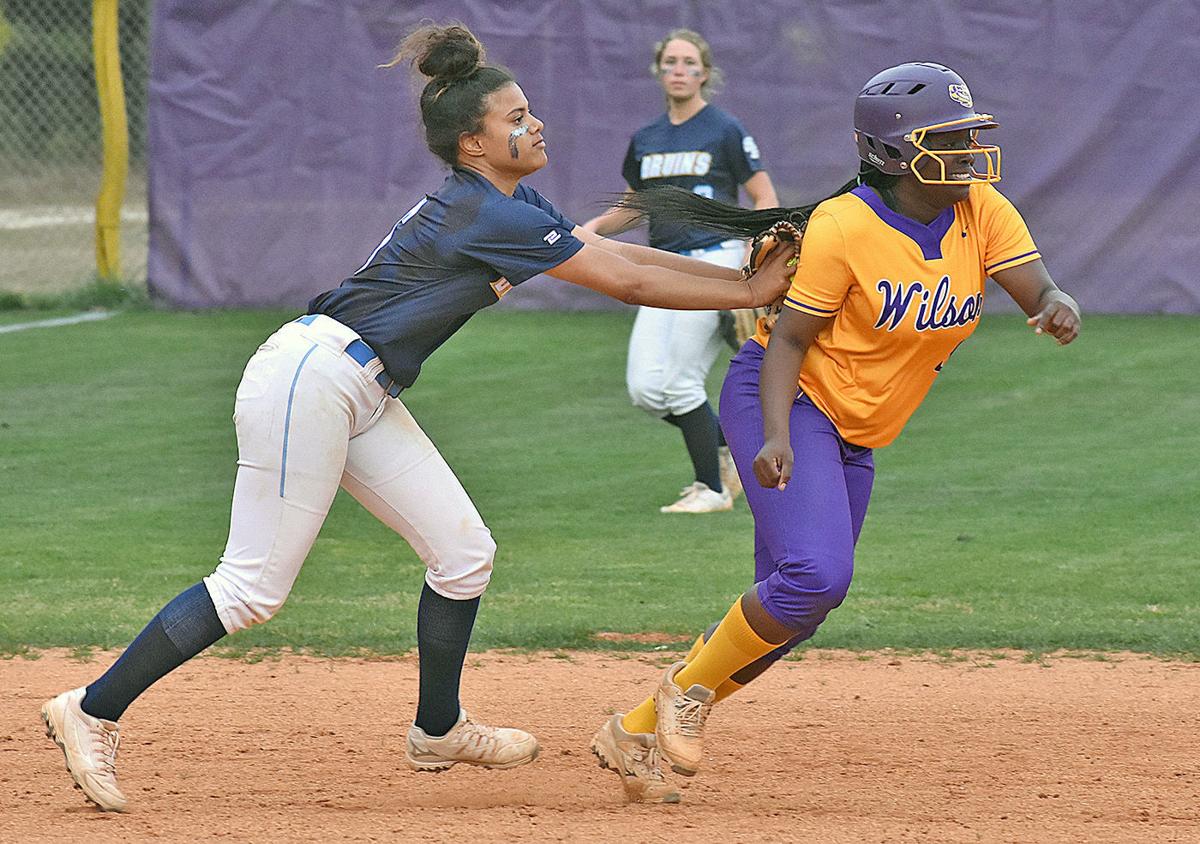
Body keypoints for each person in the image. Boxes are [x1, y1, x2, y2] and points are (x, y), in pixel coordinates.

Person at [39, 23, 795, 813]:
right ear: (473, 144)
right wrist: (747, 293)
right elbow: (626, 284)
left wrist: (743, 273)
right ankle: (91, 708)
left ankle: (438, 728)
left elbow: (624, 258)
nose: (533, 124)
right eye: (514, 117)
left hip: (360, 387)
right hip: (313, 380)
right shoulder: (485, 212)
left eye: (529, 110)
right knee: (252, 588)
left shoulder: (509, 201)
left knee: (463, 553)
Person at [590, 61, 1082, 803]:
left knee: (798, 608)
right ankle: (681, 694)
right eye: (945, 139)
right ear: (891, 154)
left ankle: (631, 729)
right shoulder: (846, 225)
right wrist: (776, 436)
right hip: (784, 401)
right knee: (817, 577)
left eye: (967, 136)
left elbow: (1034, 286)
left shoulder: (983, 210)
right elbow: (785, 342)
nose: (968, 154)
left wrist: (1054, 303)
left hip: (856, 424)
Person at [582, 29, 780, 514]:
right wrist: (595, 229)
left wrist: (755, 246)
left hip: (715, 260)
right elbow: (637, 205)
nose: (678, 69)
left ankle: (710, 490)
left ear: (705, 73)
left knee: (680, 383)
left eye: (689, 62)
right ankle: (730, 448)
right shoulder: (647, 139)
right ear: (659, 70)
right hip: (663, 264)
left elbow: (763, 194)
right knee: (646, 389)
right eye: (670, 61)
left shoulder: (724, 128)